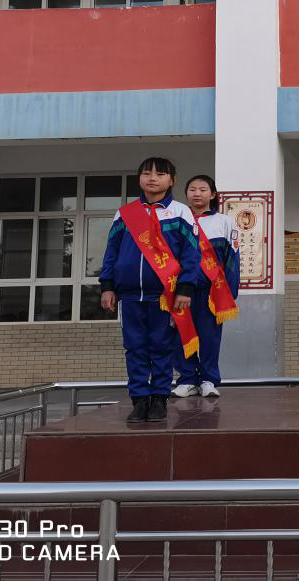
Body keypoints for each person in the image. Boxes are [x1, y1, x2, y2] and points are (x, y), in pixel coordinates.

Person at [99, 157, 203, 423]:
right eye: (146, 173)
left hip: (165, 296)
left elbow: (192, 254)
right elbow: (111, 251)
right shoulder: (125, 213)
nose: (152, 178)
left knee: (161, 347)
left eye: (160, 174)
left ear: (172, 180)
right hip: (129, 296)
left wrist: (185, 289)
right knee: (134, 349)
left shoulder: (181, 212)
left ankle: (159, 399)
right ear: (140, 179)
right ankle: (139, 400)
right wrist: (107, 286)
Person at [172, 174, 240, 399]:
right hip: (180, 291)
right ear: (186, 193)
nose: (197, 194)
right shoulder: (177, 219)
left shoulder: (224, 222)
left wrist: (229, 291)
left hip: (212, 291)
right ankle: (186, 379)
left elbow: (232, 258)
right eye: (192, 189)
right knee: (180, 335)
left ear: (212, 194)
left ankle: (209, 380)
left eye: (203, 189)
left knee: (210, 337)